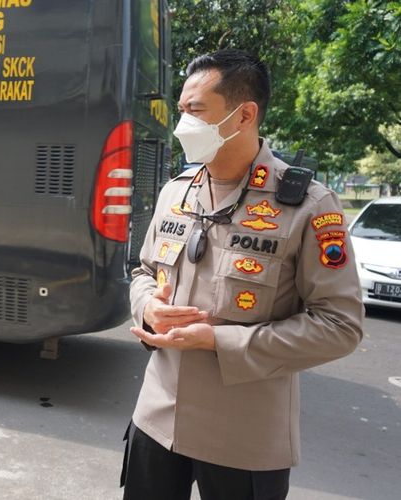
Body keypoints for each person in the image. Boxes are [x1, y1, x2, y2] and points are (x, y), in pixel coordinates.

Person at [121, 50, 363, 500]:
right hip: (157, 418)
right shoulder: (177, 193)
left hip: (242, 438)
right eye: (181, 111)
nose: (181, 125)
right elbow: (143, 271)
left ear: (244, 115)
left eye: (195, 111)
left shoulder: (308, 206)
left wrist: (218, 340)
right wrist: (149, 307)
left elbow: (340, 327)